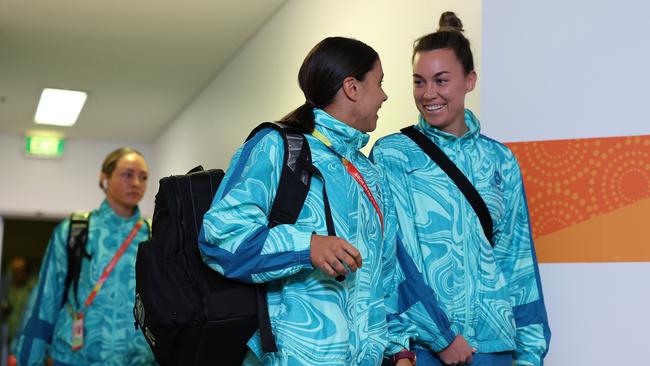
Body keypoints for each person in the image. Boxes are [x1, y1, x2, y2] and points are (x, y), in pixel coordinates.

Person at [198, 37, 414, 365]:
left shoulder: (369, 173)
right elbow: (220, 237)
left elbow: (385, 273)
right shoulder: (278, 147)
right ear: (352, 88)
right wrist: (308, 246)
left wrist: (399, 350)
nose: (384, 95)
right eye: (379, 82)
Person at [370, 12, 551, 366]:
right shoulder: (391, 154)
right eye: (419, 82)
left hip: (494, 345)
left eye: (441, 80)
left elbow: (517, 261)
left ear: (470, 81)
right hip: (423, 346)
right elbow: (389, 260)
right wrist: (411, 344)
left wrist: (530, 354)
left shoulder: (499, 160)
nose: (428, 94)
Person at [13, 147, 156, 365]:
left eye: (143, 177)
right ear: (105, 178)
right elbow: (46, 299)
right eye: (127, 174)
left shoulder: (154, 234)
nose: (136, 183)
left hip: (139, 359)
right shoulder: (75, 229)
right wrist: (29, 359)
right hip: (74, 357)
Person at [1, 256, 37, 350]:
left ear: (27, 272)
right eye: (15, 270)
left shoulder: (34, 289)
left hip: (28, 341)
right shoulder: (6, 290)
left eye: (21, 270)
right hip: (8, 340)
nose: (18, 274)